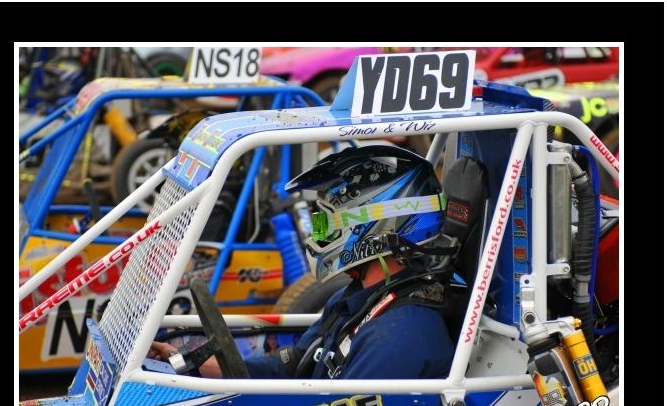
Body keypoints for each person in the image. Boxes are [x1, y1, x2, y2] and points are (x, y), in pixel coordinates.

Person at [150, 145, 458, 380]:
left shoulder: (398, 336)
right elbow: (295, 363)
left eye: (327, 224)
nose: (317, 235)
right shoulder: (356, 297)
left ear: (376, 227)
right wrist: (190, 364)